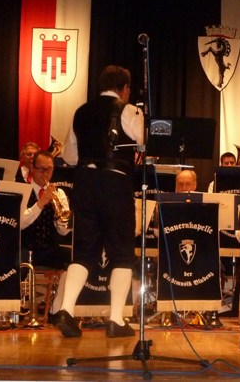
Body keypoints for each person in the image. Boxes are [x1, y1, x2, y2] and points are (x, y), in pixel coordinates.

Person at [54, 65, 144, 338]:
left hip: (85, 183)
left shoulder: (80, 112)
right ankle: (116, 320)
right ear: (125, 88)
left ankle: (66, 311)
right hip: (115, 182)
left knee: (84, 251)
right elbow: (144, 143)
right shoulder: (129, 110)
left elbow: (70, 157)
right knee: (122, 252)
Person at [19, 150, 73, 322]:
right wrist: (41, 203)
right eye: (41, 169)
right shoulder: (23, 190)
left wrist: (62, 221)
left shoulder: (59, 193)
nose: (45, 174)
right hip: (25, 246)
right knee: (15, 260)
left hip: (48, 247)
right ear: (32, 168)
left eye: (49, 169)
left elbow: (63, 232)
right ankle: (16, 308)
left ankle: (57, 309)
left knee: (74, 260)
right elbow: (20, 223)